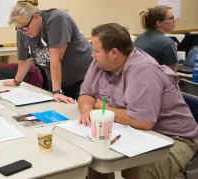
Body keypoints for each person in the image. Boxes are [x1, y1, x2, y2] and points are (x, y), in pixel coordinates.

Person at [78, 23, 198, 179]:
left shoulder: (143, 70)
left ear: (114, 53)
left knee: (136, 171)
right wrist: (87, 108)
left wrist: (103, 108)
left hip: (173, 138)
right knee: (95, 157)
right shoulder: (100, 62)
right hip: (132, 131)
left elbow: (143, 122)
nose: (92, 55)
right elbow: (85, 93)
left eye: (96, 51)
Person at [3, 0, 93, 103]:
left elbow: (56, 59)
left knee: (84, 112)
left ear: (36, 17)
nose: (22, 31)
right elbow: (24, 59)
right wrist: (16, 81)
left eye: (24, 27)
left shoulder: (57, 19)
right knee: (59, 112)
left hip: (83, 77)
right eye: (18, 28)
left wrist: (57, 92)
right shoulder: (23, 31)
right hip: (58, 80)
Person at [134, 5, 178, 72]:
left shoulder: (139, 38)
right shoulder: (167, 42)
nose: (174, 21)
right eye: (171, 18)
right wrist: (170, 47)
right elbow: (172, 75)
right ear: (159, 23)